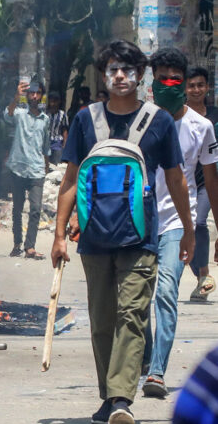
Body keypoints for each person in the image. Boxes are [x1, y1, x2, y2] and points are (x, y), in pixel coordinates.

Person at [51, 40, 193, 424]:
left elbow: (177, 181)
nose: (119, 76)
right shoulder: (85, 120)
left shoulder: (159, 121)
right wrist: (59, 235)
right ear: (103, 74)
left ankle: (120, 400)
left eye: (127, 70)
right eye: (113, 69)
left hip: (141, 238)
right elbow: (70, 180)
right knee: (102, 320)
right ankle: (108, 395)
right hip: (94, 239)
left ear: (140, 75)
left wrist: (189, 230)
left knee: (132, 315)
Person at [141, 49, 218, 398]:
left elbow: (212, 180)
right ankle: (143, 357)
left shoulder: (202, 127)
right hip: (138, 221)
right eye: (162, 79)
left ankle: (157, 372)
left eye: (176, 79)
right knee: (136, 300)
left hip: (176, 221)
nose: (169, 85)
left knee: (167, 292)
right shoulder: (138, 120)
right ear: (152, 83)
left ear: (184, 84)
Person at [5, 79, 50, 260]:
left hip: (37, 170)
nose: (34, 96)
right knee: (17, 209)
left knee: (36, 208)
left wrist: (46, 167)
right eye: (31, 92)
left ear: (41, 95)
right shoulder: (19, 114)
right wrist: (17, 96)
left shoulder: (45, 120)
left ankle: (30, 247)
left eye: (38, 93)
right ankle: (17, 243)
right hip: (18, 167)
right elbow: (7, 114)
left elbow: (46, 146)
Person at [184, 66, 218, 301]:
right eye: (191, 85)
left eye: (200, 85)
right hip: (184, 181)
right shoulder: (177, 116)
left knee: (198, 222)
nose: (196, 90)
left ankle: (204, 274)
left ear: (207, 87)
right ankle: (200, 277)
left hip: (209, 180)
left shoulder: (214, 116)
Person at [46, 91, 69, 165]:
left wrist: (65, 144)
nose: (53, 104)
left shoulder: (62, 114)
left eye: (55, 101)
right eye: (51, 101)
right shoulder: (45, 114)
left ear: (58, 102)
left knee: (57, 166)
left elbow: (65, 130)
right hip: (46, 142)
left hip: (58, 143)